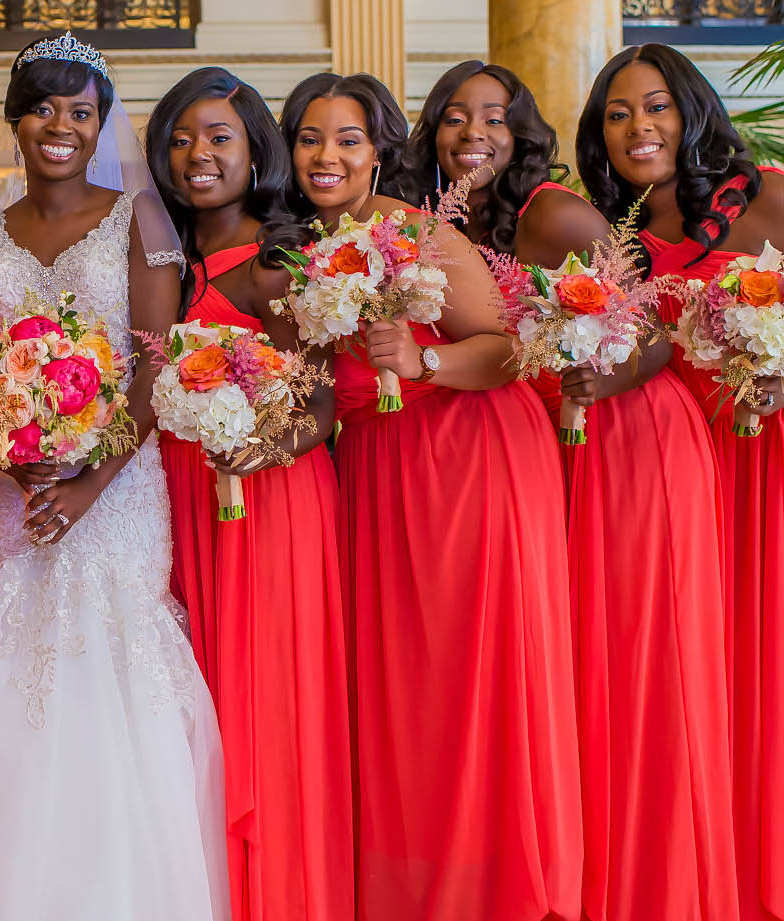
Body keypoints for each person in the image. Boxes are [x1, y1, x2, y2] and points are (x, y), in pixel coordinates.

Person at [0, 34, 228, 921]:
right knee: (3, 662)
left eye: (78, 111)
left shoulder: (137, 218)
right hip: (10, 489)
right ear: (15, 120)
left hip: (117, 489)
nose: (58, 126)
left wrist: (89, 481)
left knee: (108, 663)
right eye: (41, 108)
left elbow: (152, 364)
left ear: (99, 123)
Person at [413, 60, 735, 921]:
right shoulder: (436, 224)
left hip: (634, 440)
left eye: (493, 116)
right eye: (453, 116)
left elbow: (658, 322)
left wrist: (609, 381)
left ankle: (660, 890)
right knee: (589, 670)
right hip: (557, 454)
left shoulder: (548, 211)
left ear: (522, 132)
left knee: (644, 663)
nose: (471, 133)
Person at [282, 71, 582, 921]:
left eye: (346, 138)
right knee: (409, 697)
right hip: (382, 474)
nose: (326, 154)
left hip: (469, 462)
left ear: (377, 151)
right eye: (309, 137)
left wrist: (422, 363)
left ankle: (495, 885)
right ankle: (420, 883)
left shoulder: (406, 229)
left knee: (469, 681)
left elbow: (509, 345)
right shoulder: (310, 242)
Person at [579, 42, 784, 921]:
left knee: (762, 671)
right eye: (618, 115)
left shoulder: (767, 194)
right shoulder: (608, 236)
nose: (639, 128)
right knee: (685, 679)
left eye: (656, 107)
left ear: (692, 109)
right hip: (663, 478)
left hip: (761, 460)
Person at [144, 66, 352, 921]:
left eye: (219, 137)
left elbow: (325, 401)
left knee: (265, 710)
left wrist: (256, 451)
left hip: (264, 504)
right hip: (174, 511)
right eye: (181, 139)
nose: (198, 154)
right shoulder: (159, 259)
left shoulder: (283, 261)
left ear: (255, 149)